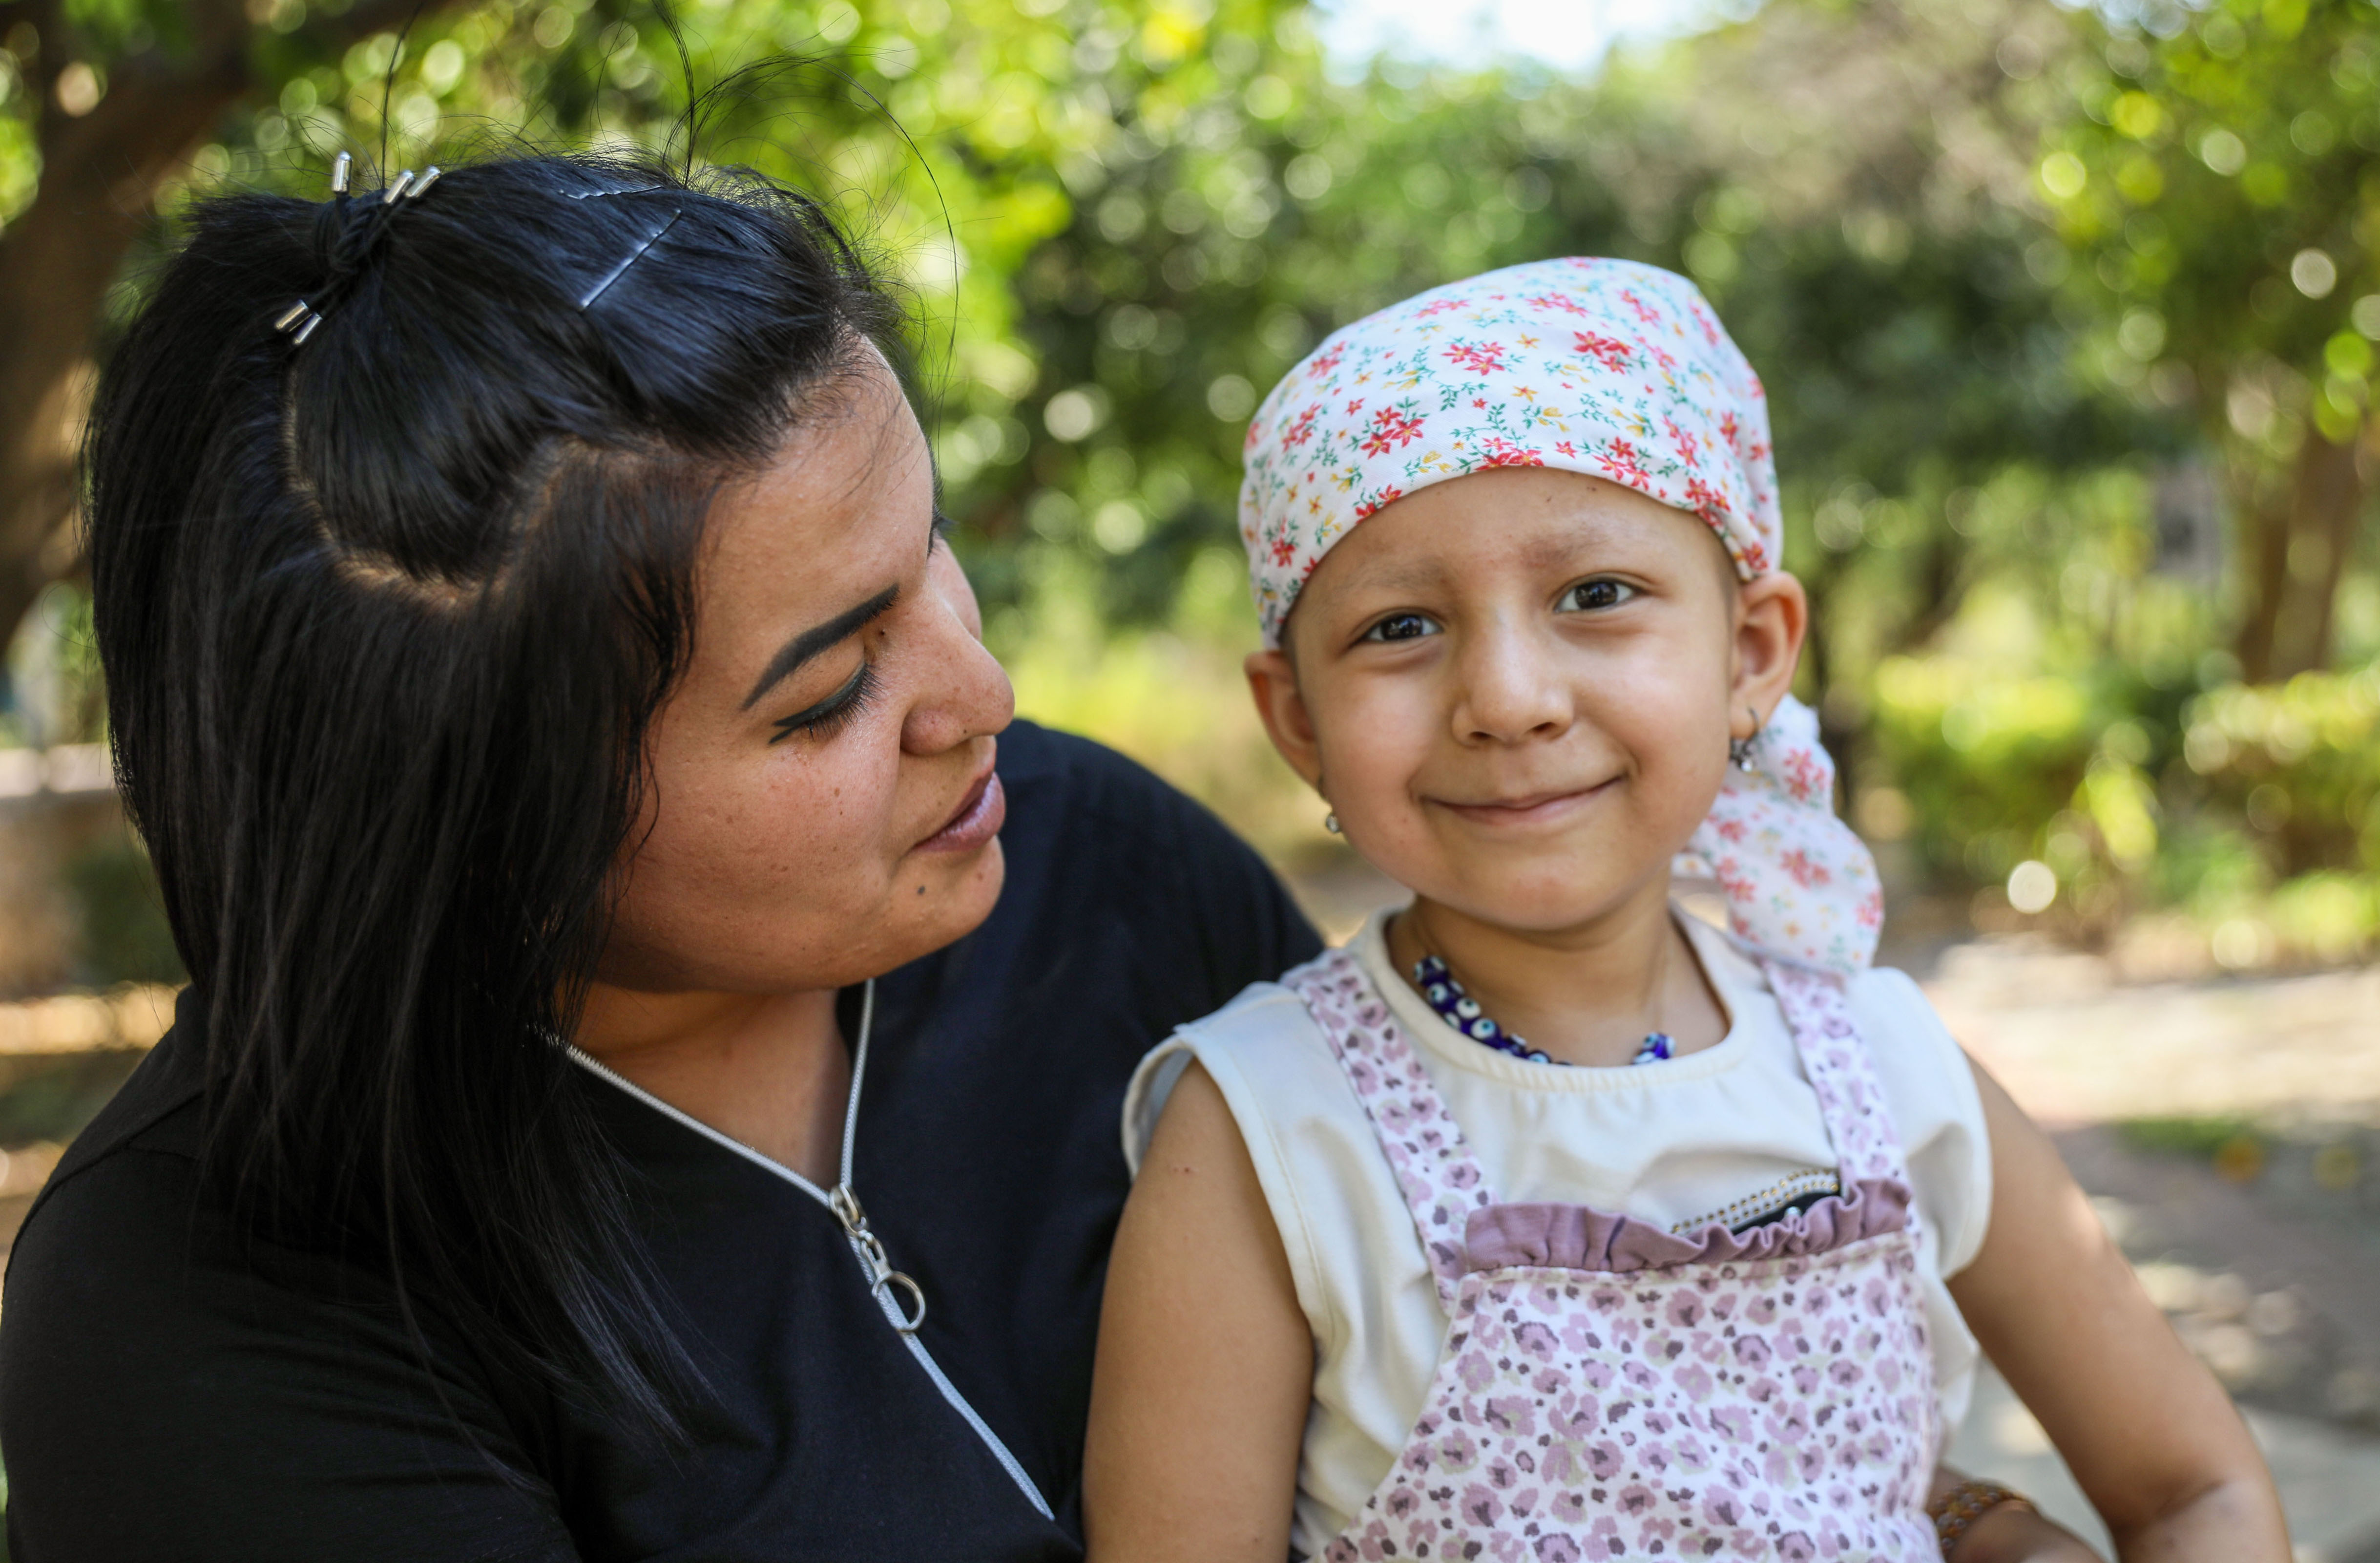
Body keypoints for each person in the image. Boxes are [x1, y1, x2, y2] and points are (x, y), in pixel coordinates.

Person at [0, 151, 1318, 1561]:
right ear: (473, 827)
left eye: (928, 544)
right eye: (825, 697)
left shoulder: (1099, 870)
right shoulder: (214, 1303)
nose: (982, 697)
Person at [1082, 259, 2291, 1561]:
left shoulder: (1884, 1070)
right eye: (1401, 626)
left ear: (1751, 654)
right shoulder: (1265, 1135)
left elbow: (2193, 1494)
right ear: (1295, 718)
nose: (1507, 696)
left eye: (1594, 596)